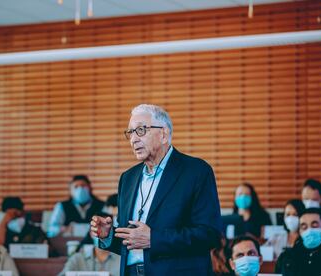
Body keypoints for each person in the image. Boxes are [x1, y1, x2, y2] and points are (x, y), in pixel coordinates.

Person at [90, 104, 222, 276]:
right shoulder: (128, 178)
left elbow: (209, 234)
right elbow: (131, 241)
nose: (133, 139)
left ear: (164, 134)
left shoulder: (196, 171)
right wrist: (108, 235)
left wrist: (154, 239)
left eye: (141, 130)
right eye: (130, 133)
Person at [275, 208, 321, 276]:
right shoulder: (286, 257)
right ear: (299, 231)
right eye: (304, 227)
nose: (309, 230)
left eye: (314, 226)